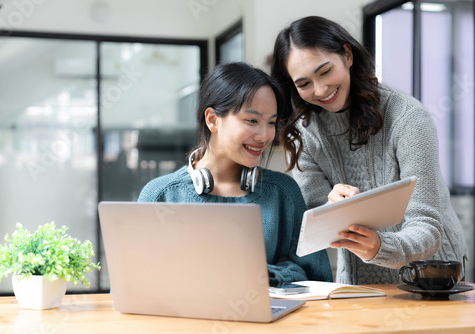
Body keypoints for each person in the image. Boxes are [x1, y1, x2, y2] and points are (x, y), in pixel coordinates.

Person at [271, 16, 468, 285]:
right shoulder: (304, 135)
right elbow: (314, 222)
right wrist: (331, 208)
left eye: (325, 71)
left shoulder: (408, 118)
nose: (320, 90)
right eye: (304, 83)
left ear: (347, 55)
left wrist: (380, 247)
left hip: (431, 276)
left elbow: (428, 228)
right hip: (359, 282)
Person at [138, 62, 332, 284]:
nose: (264, 135)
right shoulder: (160, 196)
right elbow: (135, 283)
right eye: (252, 121)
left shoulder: (283, 193)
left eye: (271, 123)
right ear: (212, 120)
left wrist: (262, 274)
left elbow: (319, 280)